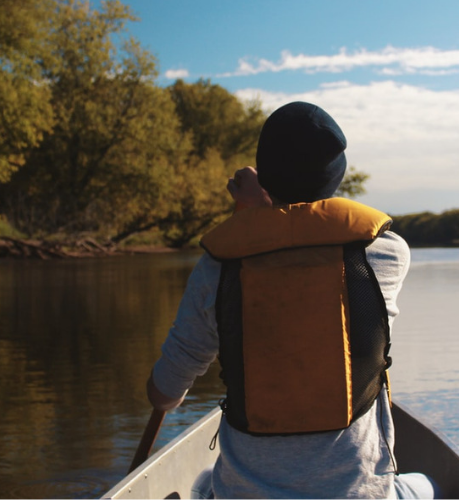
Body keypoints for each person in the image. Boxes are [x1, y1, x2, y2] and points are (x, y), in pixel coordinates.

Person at [147, 101, 434, 498]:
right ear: (336, 175)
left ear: (265, 175)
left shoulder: (220, 267)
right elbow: (303, 242)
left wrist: (254, 213)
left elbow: (163, 394)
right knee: (426, 484)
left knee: (200, 487)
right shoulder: (385, 254)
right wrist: (264, 211)